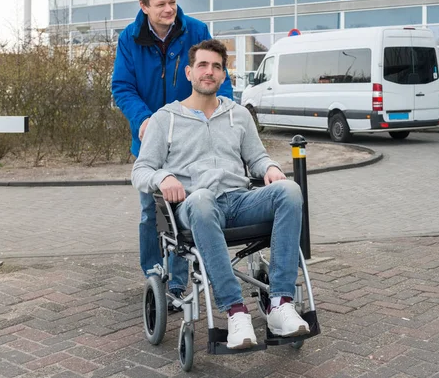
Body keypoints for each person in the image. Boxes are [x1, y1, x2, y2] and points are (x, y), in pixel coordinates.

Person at [131, 39, 310, 349]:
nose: (209, 72)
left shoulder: (238, 115)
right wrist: (164, 176)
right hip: (195, 206)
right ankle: (235, 311)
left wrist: (270, 168)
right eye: (202, 65)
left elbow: (257, 158)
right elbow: (141, 171)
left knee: (290, 191)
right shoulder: (165, 119)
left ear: (224, 75)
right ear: (189, 72)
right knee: (200, 199)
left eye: (216, 66)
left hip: (239, 201)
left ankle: (280, 304)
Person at [112, 0, 233, 300]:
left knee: (186, 204)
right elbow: (122, 86)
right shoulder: (130, 39)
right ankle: (155, 273)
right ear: (144, 7)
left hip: (191, 138)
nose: (169, 9)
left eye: (172, 1)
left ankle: (178, 282)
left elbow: (219, 76)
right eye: (161, 4)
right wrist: (144, 119)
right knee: (151, 213)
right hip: (150, 135)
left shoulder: (195, 30)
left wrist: (227, 115)